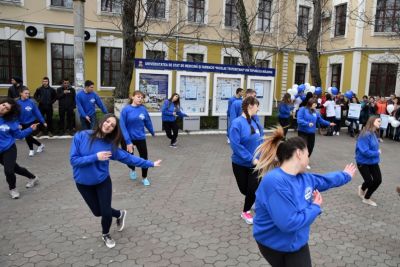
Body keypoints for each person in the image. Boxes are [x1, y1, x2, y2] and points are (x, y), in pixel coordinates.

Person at [253, 127, 356, 267]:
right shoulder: (275, 182)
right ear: (299, 153)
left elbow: (325, 180)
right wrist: (315, 207)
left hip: (297, 242)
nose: (309, 158)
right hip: (273, 244)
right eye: (308, 154)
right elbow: (288, 223)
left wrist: (345, 175)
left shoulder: (304, 178)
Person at [70, 114, 162, 248]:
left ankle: (105, 234)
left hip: (102, 182)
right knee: (97, 212)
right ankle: (120, 214)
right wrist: (95, 157)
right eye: (107, 121)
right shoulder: (81, 135)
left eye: (112, 125)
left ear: (113, 130)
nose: (108, 125)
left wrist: (150, 164)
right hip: (83, 183)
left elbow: (128, 158)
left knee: (105, 211)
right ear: (102, 121)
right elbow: (74, 161)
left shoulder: (109, 146)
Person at [229, 96, 264, 225]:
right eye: (257, 105)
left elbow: (261, 140)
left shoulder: (255, 121)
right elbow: (235, 145)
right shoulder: (237, 123)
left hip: (257, 164)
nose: (258, 108)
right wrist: (250, 159)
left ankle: (245, 211)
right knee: (245, 190)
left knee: (252, 189)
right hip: (240, 164)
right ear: (250, 105)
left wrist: (266, 155)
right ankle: (252, 200)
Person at [0, 98, 40, 199]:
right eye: (3, 105)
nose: (3, 108)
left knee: (9, 171)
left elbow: (19, 135)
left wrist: (30, 129)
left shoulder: (10, 122)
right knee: (16, 168)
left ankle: (12, 189)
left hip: (8, 149)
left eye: (7, 108)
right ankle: (33, 177)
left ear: (9, 112)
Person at [120, 91, 155, 186]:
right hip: (127, 139)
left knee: (144, 158)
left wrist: (152, 131)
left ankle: (144, 177)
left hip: (140, 138)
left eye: (142, 97)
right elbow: (122, 126)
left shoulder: (143, 109)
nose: (140, 99)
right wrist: (128, 141)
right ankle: (132, 169)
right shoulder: (126, 110)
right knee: (128, 158)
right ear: (132, 97)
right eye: (138, 97)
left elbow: (147, 121)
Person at [297, 99, 335, 169]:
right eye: (314, 104)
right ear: (310, 103)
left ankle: (305, 160)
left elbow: (320, 120)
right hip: (303, 132)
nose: (316, 105)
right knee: (303, 147)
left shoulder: (315, 112)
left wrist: (329, 123)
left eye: (316, 104)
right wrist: (307, 123)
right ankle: (302, 162)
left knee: (310, 147)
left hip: (311, 132)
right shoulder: (303, 109)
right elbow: (299, 120)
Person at [356, 116, 382, 207]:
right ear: (372, 121)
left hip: (373, 161)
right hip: (363, 162)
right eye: (378, 121)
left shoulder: (374, 133)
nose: (380, 123)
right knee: (369, 181)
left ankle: (362, 189)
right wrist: (377, 152)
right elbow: (364, 151)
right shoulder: (365, 134)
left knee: (378, 180)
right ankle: (366, 198)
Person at [17, 88, 46, 157]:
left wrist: (43, 121)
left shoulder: (31, 102)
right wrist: (17, 123)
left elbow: (37, 112)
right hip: (21, 123)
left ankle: (31, 150)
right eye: (26, 93)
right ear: (21, 93)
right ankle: (40, 145)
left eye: (28, 93)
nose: (28, 94)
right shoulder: (17, 103)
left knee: (27, 136)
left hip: (30, 122)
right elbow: (15, 115)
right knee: (27, 136)